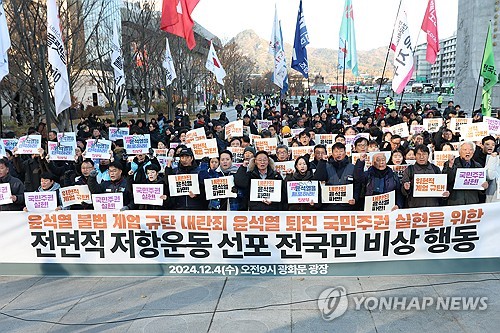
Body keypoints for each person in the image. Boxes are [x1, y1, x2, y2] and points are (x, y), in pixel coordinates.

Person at [313, 142, 358, 211]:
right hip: (329, 206)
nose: (339, 153)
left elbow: (357, 185)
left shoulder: (352, 167)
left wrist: (355, 198)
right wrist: (322, 161)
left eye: (341, 151)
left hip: (347, 206)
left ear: (345, 153)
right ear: (332, 153)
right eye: (336, 151)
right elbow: (318, 178)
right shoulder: (326, 165)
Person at [442, 141, 488, 206]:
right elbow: (447, 180)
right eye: (465, 150)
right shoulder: (450, 163)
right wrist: (450, 166)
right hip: (455, 202)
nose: (468, 152)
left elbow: (480, 190)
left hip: (472, 202)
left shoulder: (478, 166)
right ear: (459, 151)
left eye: (470, 150)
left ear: (473, 152)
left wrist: (484, 186)